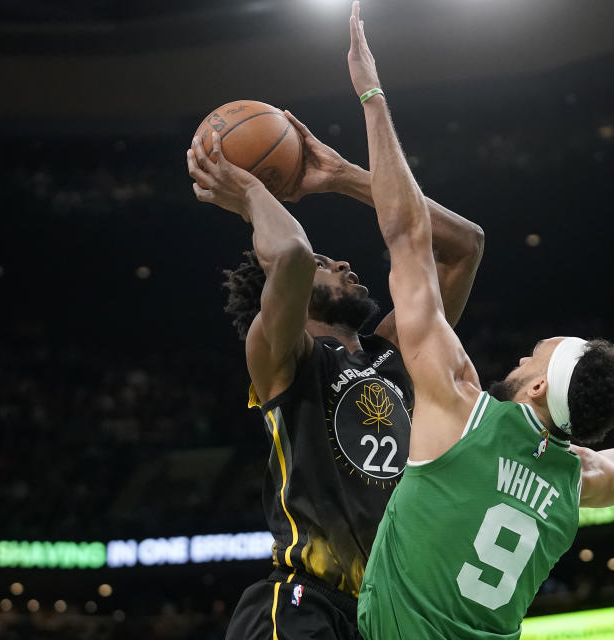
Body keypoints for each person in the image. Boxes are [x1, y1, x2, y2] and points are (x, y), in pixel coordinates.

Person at [343, 3, 614, 638]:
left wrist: (372, 96)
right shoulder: (577, 478)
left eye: (530, 358)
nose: (516, 361)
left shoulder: (461, 407)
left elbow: (408, 235)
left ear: (538, 387)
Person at [185, 100, 484, 637]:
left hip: (388, 615)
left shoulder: (397, 351)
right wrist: (253, 192)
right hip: (307, 603)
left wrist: (344, 177)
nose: (345, 263)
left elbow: (464, 246)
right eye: (329, 263)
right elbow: (294, 254)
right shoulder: (279, 355)